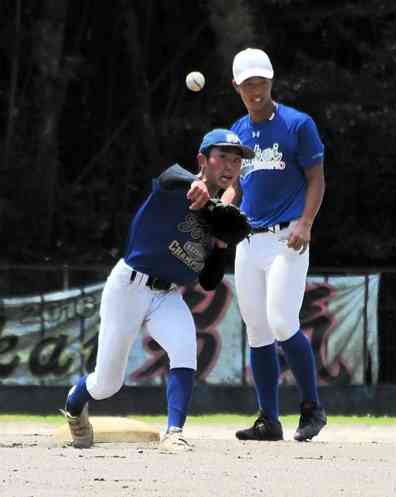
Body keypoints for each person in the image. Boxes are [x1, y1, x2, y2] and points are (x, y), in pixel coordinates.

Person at [61, 128, 254, 452]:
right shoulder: (177, 187)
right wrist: (192, 183)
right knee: (107, 383)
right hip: (128, 287)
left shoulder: (218, 216)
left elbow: (207, 282)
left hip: (166, 296)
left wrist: (220, 245)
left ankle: (174, 432)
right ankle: (74, 403)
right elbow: (168, 175)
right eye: (222, 157)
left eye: (236, 161)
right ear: (202, 160)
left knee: (184, 349)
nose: (230, 166)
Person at [221, 48, 327, 441]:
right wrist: (221, 208)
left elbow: (316, 178)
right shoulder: (239, 132)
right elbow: (235, 184)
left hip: (288, 238)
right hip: (249, 241)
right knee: (257, 330)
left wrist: (306, 221)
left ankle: (312, 409)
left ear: (271, 81)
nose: (256, 89)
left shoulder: (298, 124)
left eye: (261, 81)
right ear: (237, 87)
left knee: (283, 321)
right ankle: (269, 420)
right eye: (248, 83)